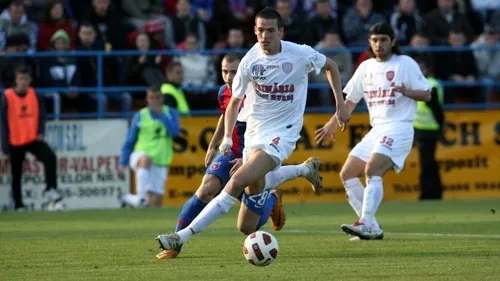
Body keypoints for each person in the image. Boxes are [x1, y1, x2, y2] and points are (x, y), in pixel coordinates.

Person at [155, 8, 350, 250]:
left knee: (235, 180)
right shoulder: (250, 61)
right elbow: (234, 102)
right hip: (254, 134)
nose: (264, 36)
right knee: (246, 227)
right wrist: (226, 137)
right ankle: (303, 170)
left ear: (280, 31)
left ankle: (180, 237)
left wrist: (339, 105)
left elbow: (330, 65)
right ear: (255, 31)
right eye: (260, 30)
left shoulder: (299, 54)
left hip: (283, 134)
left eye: (270, 30)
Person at [156, 52, 324, 259]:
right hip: (232, 150)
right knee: (207, 188)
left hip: (256, 152)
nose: (229, 77)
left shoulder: (259, 94)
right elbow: (226, 114)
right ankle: (176, 243)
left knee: (247, 225)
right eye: (225, 71)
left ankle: (273, 196)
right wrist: (214, 143)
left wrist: (247, 158)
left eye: (234, 72)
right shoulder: (224, 92)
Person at [315, 22, 432, 240]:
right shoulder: (366, 67)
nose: (379, 44)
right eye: (375, 40)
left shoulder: (404, 63)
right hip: (377, 129)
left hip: (399, 126)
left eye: (383, 40)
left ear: (393, 41)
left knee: (372, 170)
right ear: (370, 42)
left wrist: (408, 92)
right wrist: (333, 122)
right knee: (347, 173)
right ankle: (373, 227)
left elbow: (426, 94)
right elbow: (349, 101)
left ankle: (365, 222)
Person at [0, 64, 63, 211]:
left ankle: (50, 189)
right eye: (21, 78)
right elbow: (2, 123)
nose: (23, 81)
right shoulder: (6, 97)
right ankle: (18, 204)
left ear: (30, 80)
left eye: (26, 78)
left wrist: (41, 131)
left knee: (50, 157)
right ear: (16, 80)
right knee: (16, 174)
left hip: (32, 139)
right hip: (15, 141)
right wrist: (4, 149)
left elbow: (42, 115)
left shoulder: (35, 95)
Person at [118, 85, 180, 208]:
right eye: (152, 97)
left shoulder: (170, 113)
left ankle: (127, 199)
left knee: (154, 203)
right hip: (141, 155)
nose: (155, 100)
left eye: (157, 97)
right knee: (145, 159)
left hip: (160, 159)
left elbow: (175, 132)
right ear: (147, 99)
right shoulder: (140, 115)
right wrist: (123, 162)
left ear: (162, 98)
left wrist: (162, 116)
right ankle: (140, 197)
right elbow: (130, 140)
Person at [412, 55, 444, 200]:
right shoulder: (421, 84)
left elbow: (436, 108)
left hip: (428, 130)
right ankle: (432, 192)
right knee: (427, 162)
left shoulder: (429, 85)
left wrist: (440, 127)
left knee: (427, 163)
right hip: (422, 129)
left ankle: (430, 193)